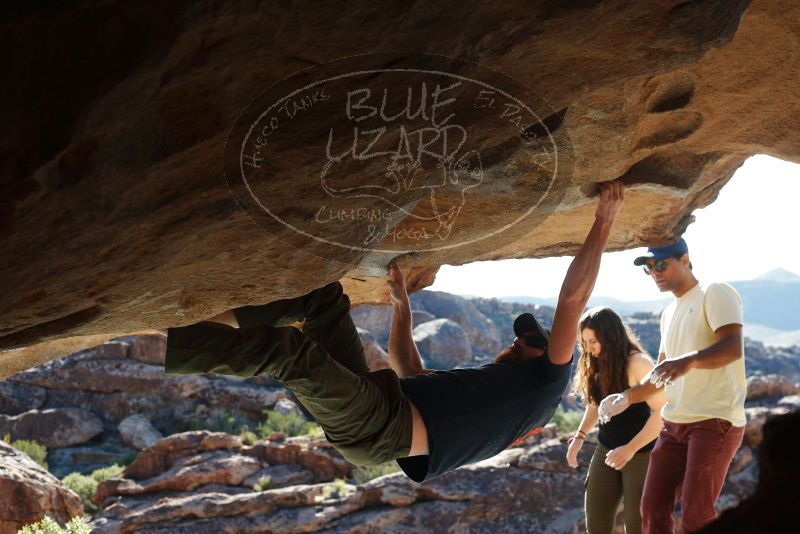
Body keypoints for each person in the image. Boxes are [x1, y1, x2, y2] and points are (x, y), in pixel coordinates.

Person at [164, 181, 625, 482]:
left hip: (381, 425)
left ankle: (175, 338)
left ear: (545, 355)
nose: (514, 341)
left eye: (524, 342)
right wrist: (402, 308)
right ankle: (211, 325)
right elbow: (409, 368)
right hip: (383, 403)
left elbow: (571, 302)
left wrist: (603, 223)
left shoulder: (548, 380)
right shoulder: (501, 394)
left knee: (291, 352)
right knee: (323, 299)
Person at [598, 238, 746, 533]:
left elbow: (732, 347)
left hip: (713, 422)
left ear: (686, 259)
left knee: (696, 514)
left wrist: (688, 361)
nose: (655, 272)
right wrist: (626, 397)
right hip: (673, 425)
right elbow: (661, 373)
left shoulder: (714, 292)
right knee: (651, 509)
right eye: (650, 268)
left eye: (662, 264)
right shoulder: (669, 313)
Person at [566, 307, 666, 534]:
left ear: (610, 336)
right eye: (585, 342)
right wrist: (579, 438)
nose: (589, 349)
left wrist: (630, 449)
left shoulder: (637, 363)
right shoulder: (599, 359)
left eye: (594, 341)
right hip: (606, 448)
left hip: (641, 452)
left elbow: (663, 412)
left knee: (636, 524)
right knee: (596, 522)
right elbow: (595, 403)